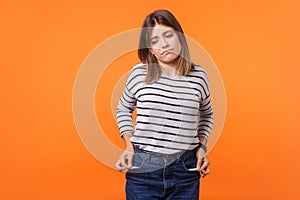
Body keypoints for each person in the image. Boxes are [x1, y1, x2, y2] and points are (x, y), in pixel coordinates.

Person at [115, 9, 214, 200]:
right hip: (144, 168)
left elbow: (207, 114)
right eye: (154, 41)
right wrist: (128, 145)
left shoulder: (199, 76)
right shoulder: (138, 73)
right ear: (150, 48)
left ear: (179, 37)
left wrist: (201, 147)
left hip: (186, 170)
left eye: (168, 35)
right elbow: (123, 108)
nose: (164, 44)